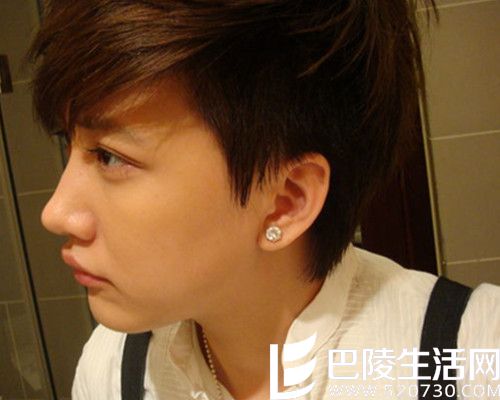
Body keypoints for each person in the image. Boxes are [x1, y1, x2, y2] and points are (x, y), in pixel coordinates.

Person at [30, 1, 499, 399]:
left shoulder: (472, 358)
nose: (56, 212)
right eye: (67, 142)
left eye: (110, 157)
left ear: (285, 202)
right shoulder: (113, 367)